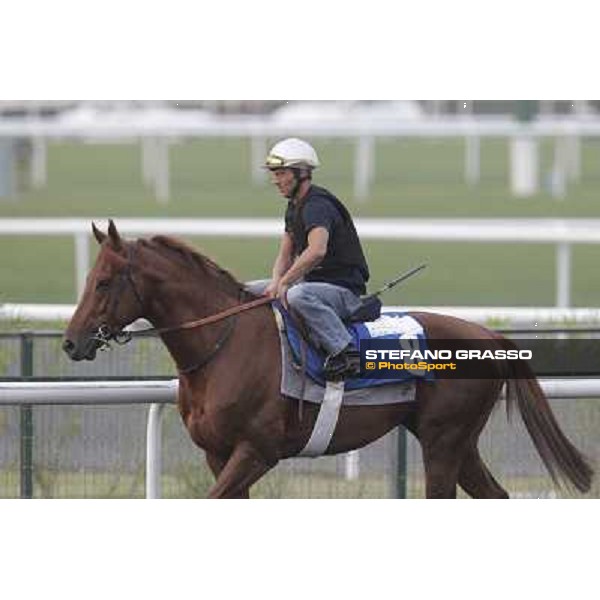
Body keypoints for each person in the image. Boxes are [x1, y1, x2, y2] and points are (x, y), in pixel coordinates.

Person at [247, 138, 371, 380]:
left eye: (281, 173)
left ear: (301, 173)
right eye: (275, 174)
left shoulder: (318, 205)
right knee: (249, 290)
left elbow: (316, 251)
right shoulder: (294, 207)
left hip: (342, 291)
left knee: (296, 295)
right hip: (314, 285)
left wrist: (285, 283)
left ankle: (346, 351)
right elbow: (285, 254)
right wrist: (275, 281)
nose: (276, 180)